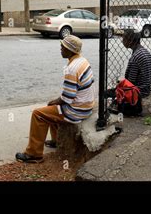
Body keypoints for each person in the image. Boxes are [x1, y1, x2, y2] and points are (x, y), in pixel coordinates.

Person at [15, 35, 94, 163]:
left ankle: (34, 154)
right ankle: (57, 140)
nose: (60, 49)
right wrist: (55, 102)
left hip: (77, 110)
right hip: (87, 105)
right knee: (51, 108)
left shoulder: (72, 69)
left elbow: (68, 98)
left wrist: (55, 101)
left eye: (63, 47)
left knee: (38, 114)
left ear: (70, 49)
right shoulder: (83, 61)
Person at [109, 30, 151, 116]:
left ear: (130, 40)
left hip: (140, 91)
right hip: (147, 87)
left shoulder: (135, 57)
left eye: (124, 38)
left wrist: (118, 87)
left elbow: (130, 82)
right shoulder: (144, 51)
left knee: (109, 93)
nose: (122, 41)